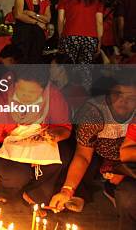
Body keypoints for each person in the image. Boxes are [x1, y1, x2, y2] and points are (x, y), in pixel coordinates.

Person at [49, 77, 135, 229]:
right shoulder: (94, 113)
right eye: (118, 95)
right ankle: (77, 195)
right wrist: (67, 190)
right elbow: (83, 155)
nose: (123, 101)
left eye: (131, 98)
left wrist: (124, 170)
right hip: (97, 154)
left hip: (126, 162)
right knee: (76, 162)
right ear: (108, 94)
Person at [0, 67, 72, 206]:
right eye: (21, 91)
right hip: (6, 150)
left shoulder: (53, 96)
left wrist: (55, 135)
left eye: (32, 93)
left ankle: (34, 195)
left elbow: (64, 128)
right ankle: (7, 191)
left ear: (44, 89)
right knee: (16, 175)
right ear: (14, 84)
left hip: (41, 144)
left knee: (63, 157)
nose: (25, 97)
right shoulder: (0, 103)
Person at [57, 0, 103, 64]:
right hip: (90, 37)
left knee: (69, 68)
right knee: (85, 70)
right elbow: (99, 22)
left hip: (70, 35)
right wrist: (99, 42)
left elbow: (60, 19)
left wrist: (61, 38)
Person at [12, 0, 51, 64]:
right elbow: (18, 14)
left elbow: (47, 19)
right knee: (22, 62)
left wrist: (33, 14)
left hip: (38, 37)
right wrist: (37, 22)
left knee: (35, 63)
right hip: (23, 35)